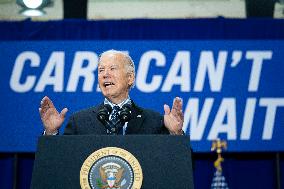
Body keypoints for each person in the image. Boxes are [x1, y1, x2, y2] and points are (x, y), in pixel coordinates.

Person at [39, 50, 184, 136]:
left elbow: (182, 167)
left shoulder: (154, 121)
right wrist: (51, 133)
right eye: (101, 70)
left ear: (130, 78)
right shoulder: (79, 121)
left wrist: (176, 135)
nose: (105, 74)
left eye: (112, 69)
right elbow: (59, 165)